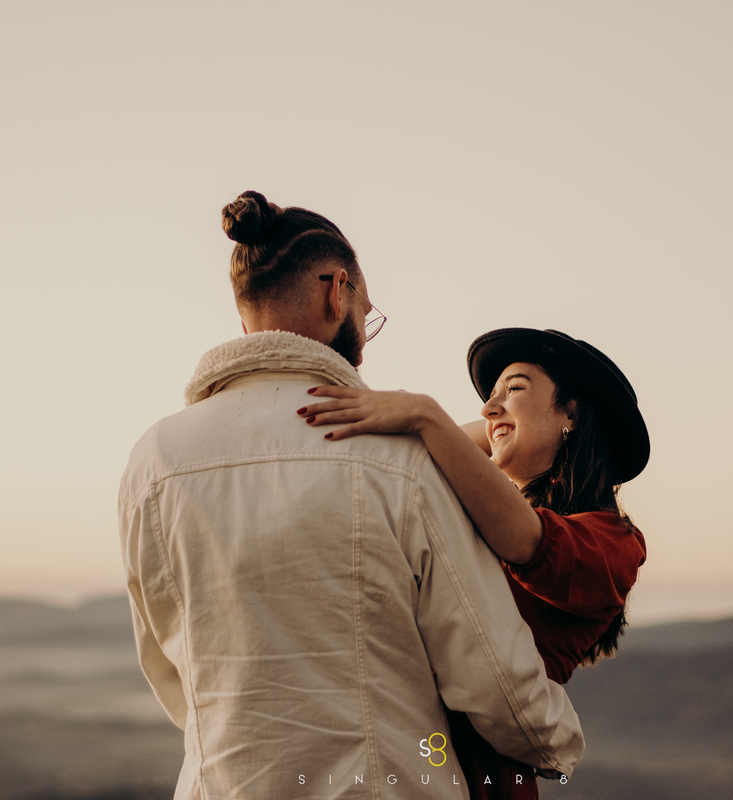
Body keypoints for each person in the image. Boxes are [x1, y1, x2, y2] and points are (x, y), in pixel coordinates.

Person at [118, 192, 584, 800]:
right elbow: (489, 673)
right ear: (336, 291)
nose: (365, 328)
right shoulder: (399, 458)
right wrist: (559, 741)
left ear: (244, 319)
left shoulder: (153, 462)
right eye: (367, 311)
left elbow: (169, 668)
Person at [299, 327, 649, 799]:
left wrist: (424, 414)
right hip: (396, 746)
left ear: (572, 411)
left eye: (516, 387)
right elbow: (463, 446)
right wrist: (490, 421)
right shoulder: (486, 510)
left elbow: (529, 543)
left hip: (476, 773)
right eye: (491, 395)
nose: (488, 408)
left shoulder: (616, 542)